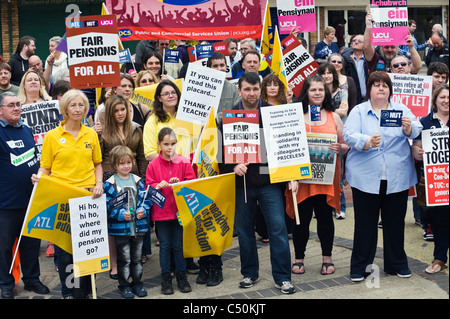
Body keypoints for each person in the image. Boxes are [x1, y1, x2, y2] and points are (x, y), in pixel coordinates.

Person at [219, 72, 295, 294]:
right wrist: (232, 167)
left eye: (255, 89)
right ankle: (249, 273)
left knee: (278, 229)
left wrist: (292, 175)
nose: (251, 93)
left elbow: (287, 146)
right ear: (239, 90)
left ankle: (282, 277)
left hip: (269, 181)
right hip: (242, 184)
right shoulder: (228, 116)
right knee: (244, 232)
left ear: (259, 89)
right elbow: (220, 153)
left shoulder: (273, 113)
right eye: (247, 89)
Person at [343, 71, 422, 282]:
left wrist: (408, 128)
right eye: (376, 85)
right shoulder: (359, 111)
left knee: (395, 223)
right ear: (369, 89)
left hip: (397, 176)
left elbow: (417, 127)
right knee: (365, 225)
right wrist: (366, 141)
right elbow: (348, 134)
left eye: (384, 85)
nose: (380, 88)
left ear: (390, 90)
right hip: (365, 177)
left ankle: (396, 263)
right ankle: (361, 267)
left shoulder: (401, 109)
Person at [31, 89, 103, 298]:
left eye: (81, 105)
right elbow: (45, 167)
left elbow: (97, 163)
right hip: (63, 199)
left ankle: (88, 291)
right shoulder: (52, 137)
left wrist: (98, 183)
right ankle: (69, 292)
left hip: (90, 197)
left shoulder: (91, 133)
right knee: (65, 251)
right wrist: (38, 176)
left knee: (90, 248)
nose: (78, 109)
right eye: (73, 105)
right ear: (65, 109)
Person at [288, 75, 349, 276]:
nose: (317, 93)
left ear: (326, 93)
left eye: (320, 90)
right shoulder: (296, 116)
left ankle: (327, 257)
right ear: (306, 92)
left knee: (324, 218)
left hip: (326, 178)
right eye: (313, 90)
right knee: (302, 220)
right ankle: (298, 258)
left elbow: (345, 146)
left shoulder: (335, 117)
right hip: (302, 179)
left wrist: (341, 148)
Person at [0, 92, 50, 299]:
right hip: (6, 203)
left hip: (31, 200)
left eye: (18, 104)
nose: (16, 108)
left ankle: (32, 280)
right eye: (11, 105)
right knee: (3, 248)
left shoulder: (26, 129)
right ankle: (5, 284)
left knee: (31, 244)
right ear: (0, 110)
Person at [146, 127, 196, 295]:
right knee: (165, 246)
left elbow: (191, 183)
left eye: (173, 144)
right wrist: (157, 186)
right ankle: (166, 278)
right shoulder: (152, 165)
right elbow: (148, 188)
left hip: (179, 212)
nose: (170, 148)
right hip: (161, 214)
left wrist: (179, 183)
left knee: (179, 245)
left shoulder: (183, 162)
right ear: (159, 144)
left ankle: (182, 277)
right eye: (166, 144)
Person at [103, 145, 151, 298]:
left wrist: (143, 210)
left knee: (137, 258)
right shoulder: (110, 184)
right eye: (122, 163)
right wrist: (120, 214)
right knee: (124, 259)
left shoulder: (138, 181)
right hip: (121, 229)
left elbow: (146, 199)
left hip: (138, 227)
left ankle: (137, 283)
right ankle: (124, 285)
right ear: (115, 164)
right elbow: (108, 206)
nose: (126, 166)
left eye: (129, 162)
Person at [411, 84, 449, 274]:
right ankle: (440, 258)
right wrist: (418, 152)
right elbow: (416, 148)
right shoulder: (425, 122)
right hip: (437, 182)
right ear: (435, 101)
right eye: (442, 97)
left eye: (449, 97)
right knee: (440, 220)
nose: (446, 101)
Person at [143, 80, 191, 162]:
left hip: (190, 169)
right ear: (159, 98)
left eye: (173, 92)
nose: (171, 96)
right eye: (166, 94)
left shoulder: (188, 117)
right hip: (167, 170)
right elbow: (150, 154)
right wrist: (175, 162)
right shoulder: (152, 121)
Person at [207, 52, 240, 121]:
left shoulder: (235, 89)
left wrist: (215, 118)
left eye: (222, 65)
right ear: (209, 68)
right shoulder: (200, 89)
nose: (219, 69)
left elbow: (236, 113)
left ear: (226, 66)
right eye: (215, 66)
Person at [342, 35, 369, 104]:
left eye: (360, 41)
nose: (356, 42)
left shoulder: (368, 60)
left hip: (368, 99)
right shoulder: (345, 60)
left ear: (365, 45)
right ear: (351, 44)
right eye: (354, 40)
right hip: (352, 100)